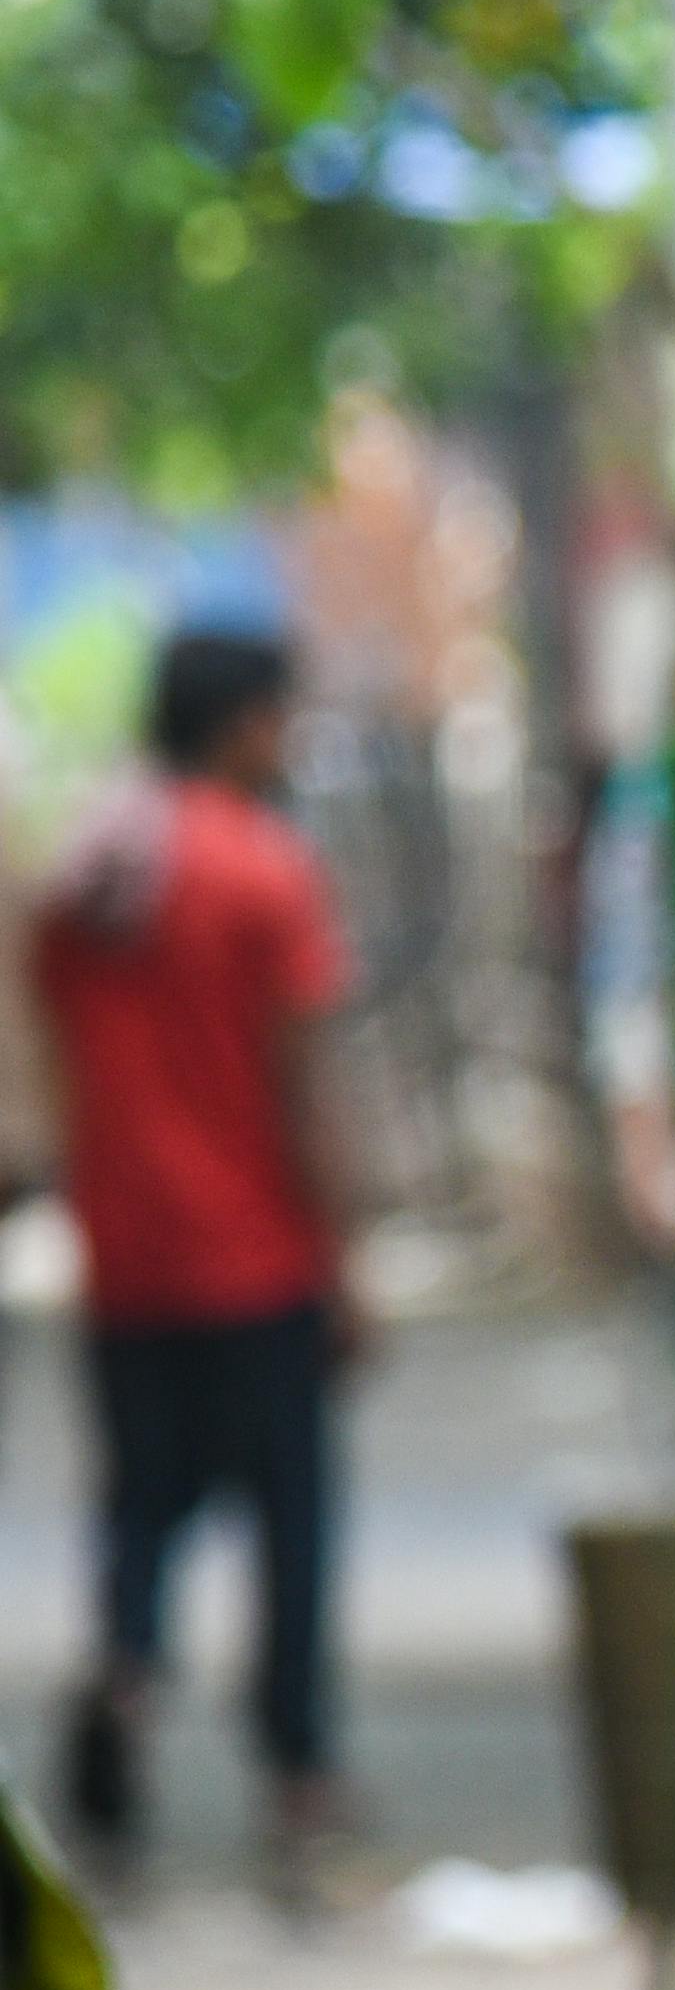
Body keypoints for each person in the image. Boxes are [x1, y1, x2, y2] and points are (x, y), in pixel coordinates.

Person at [29, 624, 356, 1888]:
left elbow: (46, 1051)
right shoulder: (262, 870)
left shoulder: (88, 877)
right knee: (290, 1524)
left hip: (126, 1257)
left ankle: (124, 1690)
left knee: (143, 1510)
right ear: (244, 723)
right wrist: (345, 1254)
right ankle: (299, 1777)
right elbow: (303, 1084)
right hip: (256, 1257)